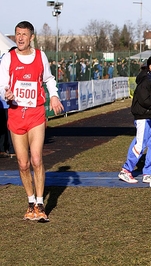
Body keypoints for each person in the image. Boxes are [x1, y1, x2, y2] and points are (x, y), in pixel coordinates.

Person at [0, 21, 64, 221]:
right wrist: (6, 92)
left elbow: (49, 78)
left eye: (24, 34)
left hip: (36, 113)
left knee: (36, 159)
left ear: (31, 37)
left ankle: (40, 203)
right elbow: (2, 82)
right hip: (16, 114)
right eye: (17, 34)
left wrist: (53, 96)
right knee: (23, 163)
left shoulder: (40, 56)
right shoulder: (8, 58)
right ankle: (30, 203)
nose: (20, 38)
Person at [118, 56, 151, 184]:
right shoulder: (146, 81)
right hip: (143, 117)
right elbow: (145, 101)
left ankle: (148, 173)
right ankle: (126, 170)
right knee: (140, 144)